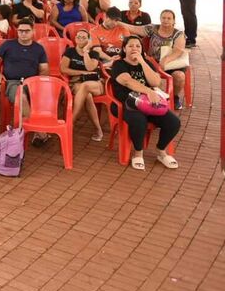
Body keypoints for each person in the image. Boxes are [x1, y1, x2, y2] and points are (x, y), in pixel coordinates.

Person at [110, 36, 180, 171]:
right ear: (124, 48)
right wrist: (148, 91)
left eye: (138, 46)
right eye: (130, 46)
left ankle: (161, 151)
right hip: (126, 104)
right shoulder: (119, 64)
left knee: (173, 122)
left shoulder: (146, 63)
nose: (134, 48)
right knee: (139, 120)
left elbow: (156, 82)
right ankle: (138, 153)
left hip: (148, 104)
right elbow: (127, 81)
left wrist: (142, 62)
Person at [0, 19, 49, 141]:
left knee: (47, 97)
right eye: (20, 31)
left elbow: (44, 69)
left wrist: (37, 83)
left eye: (26, 31)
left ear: (32, 31)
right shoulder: (8, 45)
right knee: (21, 97)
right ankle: (39, 131)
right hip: (13, 82)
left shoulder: (39, 49)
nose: (23, 33)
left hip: (32, 83)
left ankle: (26, 126)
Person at [127, 9, 189, 110]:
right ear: (160, 19)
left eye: (169, 18)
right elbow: (135, 29)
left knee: (179, 76)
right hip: (152, 62)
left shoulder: (178, 34)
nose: (166, 20)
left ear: (174, 21)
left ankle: (175, 97)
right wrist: (118, 23)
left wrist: (165, 60)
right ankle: (152, 96)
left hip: (172, 63)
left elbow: (178, 51)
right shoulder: (153, 28)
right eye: (163, 18)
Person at [60, 29, 104, 141]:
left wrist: (85, 51)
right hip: (77, 82)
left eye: (84, 37)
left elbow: (90, 68)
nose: (80, 39)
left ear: (89, 40)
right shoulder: (70, 52)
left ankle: (70, 122)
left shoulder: (94, 53)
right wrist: (82, 73)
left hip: (95, 84)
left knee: (85, 87)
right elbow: (63, 68)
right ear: (74, 39)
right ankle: (98, 129)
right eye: (78, 37)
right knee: (87, 96)